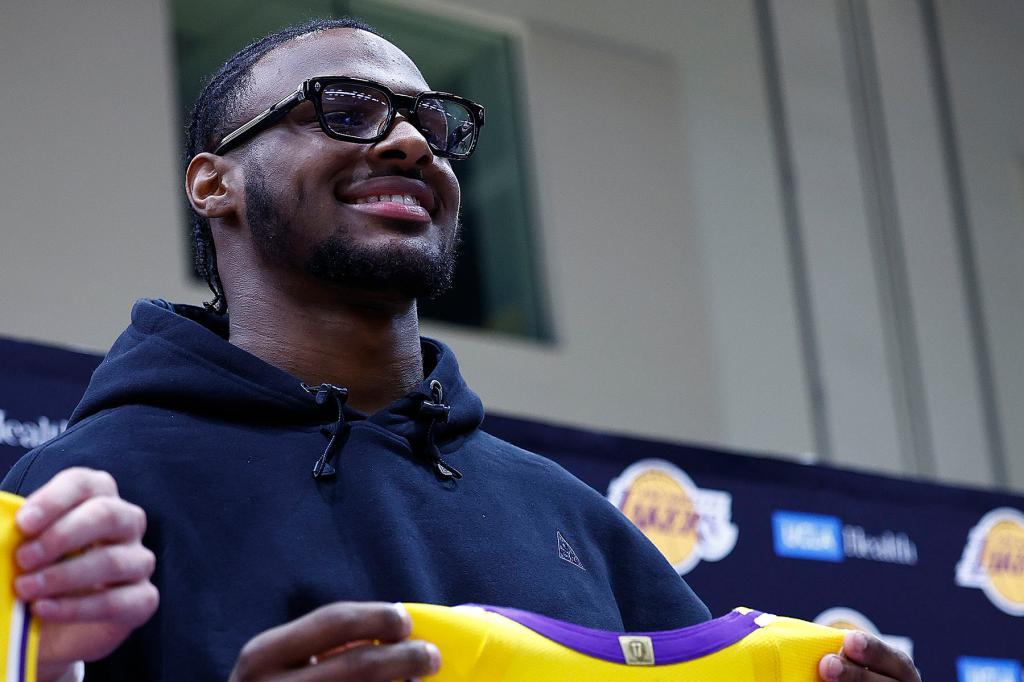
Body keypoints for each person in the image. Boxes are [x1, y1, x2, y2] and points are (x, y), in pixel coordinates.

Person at [2, 17, 920, 682]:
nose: (409, 141)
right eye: (345, 109)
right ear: (214, 182)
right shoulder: (77, 501)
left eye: (431, 124)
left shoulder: (567, 516)